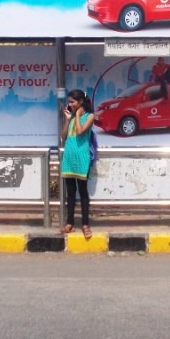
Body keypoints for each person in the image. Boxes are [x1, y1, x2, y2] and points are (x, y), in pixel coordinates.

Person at [60, 88, 95, 238]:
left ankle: (85, 224)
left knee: (83, 192)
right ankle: (70, 222)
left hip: (82, 157)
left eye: (73, 102)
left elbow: (81, 132)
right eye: (69, 102)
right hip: (69, 157)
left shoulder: (90, 116)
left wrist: (79, 115)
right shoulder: (72, 117)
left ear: (81, 102)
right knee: (71, 192)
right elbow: (63, 136)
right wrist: (68, 119)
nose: (71, 104)